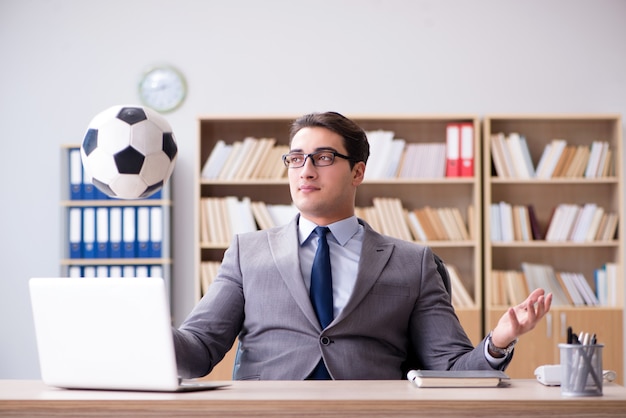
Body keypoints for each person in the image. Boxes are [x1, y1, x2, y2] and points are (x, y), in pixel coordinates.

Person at [173, 111, 553, 380]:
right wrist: (143, 330)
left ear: (358, 171)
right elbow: (197, 351)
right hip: (269, 412)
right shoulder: (246, 252)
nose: (305, 170)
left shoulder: (412, 263)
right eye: (295, 158)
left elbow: (450, 369)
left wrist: (499, 341)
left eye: (323, 157)